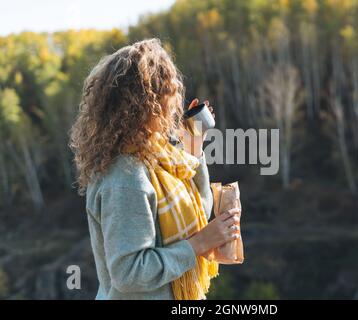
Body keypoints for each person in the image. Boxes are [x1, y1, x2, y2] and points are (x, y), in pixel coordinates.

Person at [69, 38, 241, 300]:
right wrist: (199, 244)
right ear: (148, 104)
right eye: (169, 96)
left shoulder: (159, 156)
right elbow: (129, 274)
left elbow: (196, 213)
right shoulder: (126, 179)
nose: (173, 108)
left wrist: (194, 145)